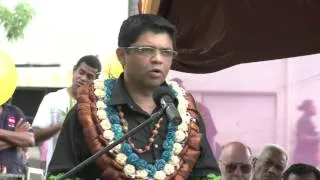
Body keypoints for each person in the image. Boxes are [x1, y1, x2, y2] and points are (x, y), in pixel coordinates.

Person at [47, 14, 220, 179]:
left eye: (166, 52)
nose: (158, 59)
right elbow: (59, 175)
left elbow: (207, 174)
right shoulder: (89, 111)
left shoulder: (185, 113)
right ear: (122, 55)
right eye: (147, 50)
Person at [32, 55, 101, 170]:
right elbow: (34, 136)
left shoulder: (96, 107)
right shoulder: (52, 99)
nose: (83, 78)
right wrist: (62, 125)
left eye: (89, 76)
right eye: (81, 72)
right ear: (74, 71)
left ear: (94, 81)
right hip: (55, 173)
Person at [0, 101, 34, 174]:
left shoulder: (14, 111)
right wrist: (17, 136)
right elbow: (23, 140)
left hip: (13, 172)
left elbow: (30, 140)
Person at [292, 99, 320, 166]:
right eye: (313, 107)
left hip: (309, 157)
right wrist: (318, 137)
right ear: (308, 108)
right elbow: (302, 138)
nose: (315, 108)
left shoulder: (308, 120)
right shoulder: (303, 120)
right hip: (304, 158)